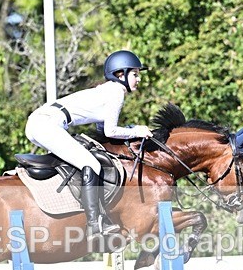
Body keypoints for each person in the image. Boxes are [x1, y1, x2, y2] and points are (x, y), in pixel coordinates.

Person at [25, 50, 153, 240]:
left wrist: (131, 128)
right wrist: (138, 131)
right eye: (135, 74)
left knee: (78, 160)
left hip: (41, 122)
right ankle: (94, 223)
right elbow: (111, 132)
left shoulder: (107, 90)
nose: (139, 79)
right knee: (92, 164)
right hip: (46, 124)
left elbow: (103, 130)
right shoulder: (116, 91)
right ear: (120, 74)